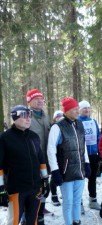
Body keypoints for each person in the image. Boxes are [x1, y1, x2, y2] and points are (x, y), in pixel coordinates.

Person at [0, 105, 49, 225]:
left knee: (33, 220)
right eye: (24, 115)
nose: (28, 119)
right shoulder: (5, 138)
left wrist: (45, 179)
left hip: (35, 187)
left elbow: (41, 160)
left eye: (29, 115)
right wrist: (1, 189)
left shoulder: (34, 136)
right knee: (14, 221)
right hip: (16, 189)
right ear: (14, 118)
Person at [47, 97, 91, 225]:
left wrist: (86, 163)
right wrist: (55, 171)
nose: (78, 111)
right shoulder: (57, 127)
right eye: (75, 109)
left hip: (79, 170)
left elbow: (83, 145)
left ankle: (76, 221)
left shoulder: (79, 124)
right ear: (66, 111)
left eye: (78, 109)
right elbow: (51, 150)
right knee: (68, 201)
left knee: (77, 200)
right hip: (65, 172)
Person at [26, 89, 51, 225]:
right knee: (32, 189)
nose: (40, 101)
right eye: (37, 99)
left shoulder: (45, 116)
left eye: (42, 98)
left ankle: (40, 213)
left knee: (43, 187)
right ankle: (27, 216)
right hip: (31, 161)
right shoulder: (26, 116)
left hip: (45, 160)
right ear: (29, 102)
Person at [78, 100, 101, 210]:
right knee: (80, 179)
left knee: (92, 178)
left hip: (93, 154)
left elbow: (98, 137)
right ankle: (79, 203)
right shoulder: (77, 121)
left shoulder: (93, 121)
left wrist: (100, 152)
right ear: (79, 110)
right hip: (81, 156)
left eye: (88, 108)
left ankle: (93, 200)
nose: (86, 110)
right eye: (84, 108)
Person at [50, 110, 64, 206]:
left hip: (65, 156)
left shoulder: (66, 126)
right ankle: (54, 195)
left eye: (61, 116)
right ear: (55, 118)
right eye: (58, 116)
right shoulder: (53, 128)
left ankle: (64, 193)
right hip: (55, 156)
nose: (60, 117)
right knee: (54, 176)